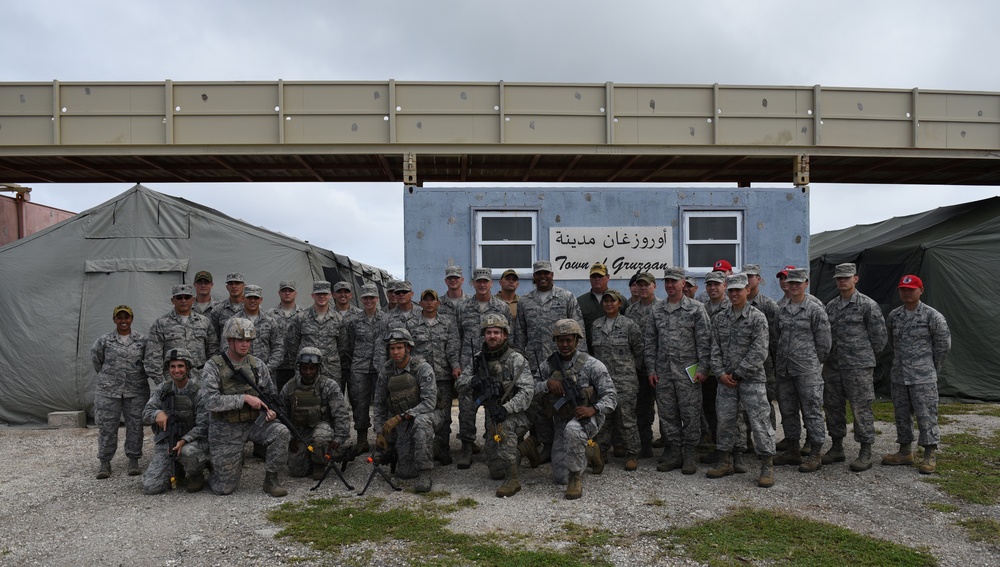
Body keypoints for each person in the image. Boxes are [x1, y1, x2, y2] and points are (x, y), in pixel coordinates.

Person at [201, 318, 291, 497]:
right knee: (224, 489)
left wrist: (270, 411)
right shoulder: (213, 366)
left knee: (281, 431)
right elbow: (210, 401)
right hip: (225, 428)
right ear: (229, 341)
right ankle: (209, 468)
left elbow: (270, 394)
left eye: (248, 341)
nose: (245, 345)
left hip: (253, 423)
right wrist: (244, 398)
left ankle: (271, 479)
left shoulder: (257, 365)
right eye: (240, 340)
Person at [533, 319, 617, 500]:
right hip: (561, 421)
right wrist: (547, 384)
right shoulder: (548, 365)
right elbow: (530, 389)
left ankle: (575, 478)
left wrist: (593, 409)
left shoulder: (592, 365)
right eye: (560, 340)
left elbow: (611, 397)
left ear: (577, 340)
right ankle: (591, 452)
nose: (564, 344)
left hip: (588, 419)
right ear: (555, 341)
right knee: (559, 478)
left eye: (569, 340)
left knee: (573, 430)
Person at [706, 273, 776, 488]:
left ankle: (767, 465)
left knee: (759, 422)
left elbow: (759, 351)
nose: (735, 294)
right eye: (732, 290)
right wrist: (719, 373)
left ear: (747, 290)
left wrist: (737, 374)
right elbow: (713, 348)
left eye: (739, 290)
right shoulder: (720, 318)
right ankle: (725, 461)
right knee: (725, 421)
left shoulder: (757, 317)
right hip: (725, 380)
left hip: (751, 379)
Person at [515, 260, 587, 465]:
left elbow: (578, 331)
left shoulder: (566, 298)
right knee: (538, 405)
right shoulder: (525, 301)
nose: (543, 277)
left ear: (552, 275)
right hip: (534, 362)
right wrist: (519, 363)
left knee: (563, 403)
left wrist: (579, 362)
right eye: (539, 274)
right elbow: (520, 335)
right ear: (534, 277)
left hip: (562, 361)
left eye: (546, 273)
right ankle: (544, 445)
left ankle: (567, 443)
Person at [456, 313, 534, 497]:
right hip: (494, 415)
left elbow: (527, 392)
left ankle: (513, 480)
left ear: (505, 335)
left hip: (519, 414)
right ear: (484, 335)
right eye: (489, 332)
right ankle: (525, 449)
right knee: (495, 470)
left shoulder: (515, 359)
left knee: (503, 430)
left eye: (497, 332)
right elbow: (459, 384)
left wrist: (506, 409)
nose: (492, 336)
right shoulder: (478, 359)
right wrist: (473, 381)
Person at [645, 266, 712, 475]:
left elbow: (705, 341)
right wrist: (651, 369)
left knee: (690, 413)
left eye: (674, 281)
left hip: (688, 373)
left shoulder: (696, 308)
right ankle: (674, 452)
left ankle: (689, 453)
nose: (670, 285)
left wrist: (703, 368)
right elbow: (650, 342)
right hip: (664, 372)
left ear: (684, 283)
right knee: (668, 414)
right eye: (667, 281)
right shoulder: (657, 310)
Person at [882, 275, 951, 474]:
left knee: (926, 415)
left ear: (920, 291)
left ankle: (930, 454)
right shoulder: (895, 316)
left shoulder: (932, 316)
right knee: (902, 415)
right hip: (899, 374)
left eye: (911, 289)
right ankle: (905, 452)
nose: (906, 292)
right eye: (903, 289)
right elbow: (892, 343)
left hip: (923, 376)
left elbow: (943, 347)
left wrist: (929, 367)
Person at [822, 263, 888, 471]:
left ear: (855, 279)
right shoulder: (831, 306)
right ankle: (837, 446)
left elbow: (880, 338)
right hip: (834, 366)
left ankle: (865, 450)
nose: (842, 281)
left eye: (846, 277)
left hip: (858, 367)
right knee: (833, 407)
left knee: (861, 408)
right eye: (839, 278)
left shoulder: (867, 305)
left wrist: (863, 358)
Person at [772, 268, 831, 472]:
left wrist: (813, 362)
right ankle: (792, 449)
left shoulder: (815, 310)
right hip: (785, 370)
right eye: (791, 282)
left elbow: (824, 343)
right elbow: (776, 337)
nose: (794, 286)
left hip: (807, 370)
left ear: (806, 284)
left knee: (812, 411)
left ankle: (815, 453)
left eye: (799, 282)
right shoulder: (781, 310)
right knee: (787, 411)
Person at [454, 268, 513, 468]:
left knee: (493, 403)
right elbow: (455, 337)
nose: (482, 285)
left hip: (494, 363)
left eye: (485, 281)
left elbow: (509, 336)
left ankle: (492, 443)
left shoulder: (501, 307)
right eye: (478, 281)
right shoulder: (463, 307)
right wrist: (456, 364)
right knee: (466, 407)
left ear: (491, 284)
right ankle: (467, 446)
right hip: (469, 364)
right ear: (473, 284)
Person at [373, 328, 438, 493]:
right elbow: (379, 404)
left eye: (399, 348)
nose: (395, 352)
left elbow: (429, 402)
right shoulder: (386, 371)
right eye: (392, 348)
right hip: (400, 418)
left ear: (408, 348)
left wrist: (402, 417)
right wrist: (380, 432)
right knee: (406, 474)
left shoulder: (422, 368)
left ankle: (425, 473)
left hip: (425, 415)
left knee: (422, 424)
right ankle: (398, 453)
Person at [141, 348, 210, 494]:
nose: (176, 370)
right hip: (169, 443)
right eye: (172, 366)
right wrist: (157, 413)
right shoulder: (163, 389)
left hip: (193, 442)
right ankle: (177, 468)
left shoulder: (198, 391)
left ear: (188, 368)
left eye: (180, 366)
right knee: (150, 487)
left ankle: (196, 473)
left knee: (188, 452)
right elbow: (145, 413)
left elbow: (204, 425)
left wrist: (184, 440)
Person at [92, 304, 148, 479]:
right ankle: (105, 462)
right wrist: (110, 378)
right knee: (107, 427)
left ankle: (133, 460)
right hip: (109, 391)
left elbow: (148, 361)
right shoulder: (104, 340)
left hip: (136, 390)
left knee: (135, 426)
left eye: (127, 317)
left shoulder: (142, 340)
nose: (123, 321)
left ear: (131, 319)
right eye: (120, 317)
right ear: (114, 319)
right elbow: (97, 360)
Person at [406, 289, 461, 465]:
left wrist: (455, 366)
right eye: (425, 299)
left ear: (438, 303)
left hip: (442, 375)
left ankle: (442, 448)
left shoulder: (447, 322)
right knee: (420, 411)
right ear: (420, 303)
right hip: (419, 378)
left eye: (433, 300)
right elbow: (408, 350)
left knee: (443, 414)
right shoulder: (411, 324)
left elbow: (452, 347)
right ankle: (420, 448)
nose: (429, 303)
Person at [590, 290, 643, 471]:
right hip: (602, 382)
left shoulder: (629, 325)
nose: (608, 304)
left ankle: (632, 453)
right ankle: (602, 451)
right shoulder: (596, 326)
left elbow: (639, 352)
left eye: (612, 301)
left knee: (626, 419)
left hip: (625, 381)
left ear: (619, 303)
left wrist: (628, 371)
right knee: (603, 418)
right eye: (605, 301)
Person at [280, 347, 351, 480]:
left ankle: (321, 463)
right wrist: (289, 437)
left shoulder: (329, 386)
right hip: (300, 431)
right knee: (297, 471)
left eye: (312, 368)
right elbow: (281, 415)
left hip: (323, 428)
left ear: (318, 368)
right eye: (304, 368)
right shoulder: (289, 388)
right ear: (299, 368)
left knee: (320, 437)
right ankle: (317, 455)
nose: (308, 372)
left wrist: (339, 439)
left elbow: (340, 414)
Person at [144, 284, 218, 384]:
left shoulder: (204, 322)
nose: (183, 301)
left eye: (187, 297)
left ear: (193, 300)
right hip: (172, 381)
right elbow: (152, 357)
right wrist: (163, 383)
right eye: (179, 297)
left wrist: (209, 378)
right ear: (173, 300)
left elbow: (213, 353)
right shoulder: (161, 323)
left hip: (200, 381)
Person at [346, 283, 388, 453]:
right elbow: (348, 345)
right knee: (359, 404)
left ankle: (381, 436)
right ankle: (362, 440)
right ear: (361, 299)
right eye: (366, 298)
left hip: (380, 368)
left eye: (372, 297)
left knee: (381, 402)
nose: (369, 301)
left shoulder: (386, 320)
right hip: (360, 368)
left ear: (377, 299)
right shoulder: (354, 321)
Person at [624, 272, 660, 457]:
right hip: (638, 367)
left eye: (647, 285)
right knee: (642, 407)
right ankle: (645, 444)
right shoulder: (631, 310)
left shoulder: (662, 308)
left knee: (666, 408)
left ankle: (670, 446)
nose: (643, 288)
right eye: (640, 285)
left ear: (654, 286)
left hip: (660, 367)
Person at [285, 281, 346, 388]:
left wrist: (330, 357)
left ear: (330, 295)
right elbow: (293, 344)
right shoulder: (301, 318)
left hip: (331, 369)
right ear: (313, 295)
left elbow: (342, 345)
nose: (321, 297)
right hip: (307, 368)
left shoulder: (338, 319)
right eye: (318, 294)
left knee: (333, 399)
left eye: (325, 294)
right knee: (306, 399)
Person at [238, 285, 285, 376]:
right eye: (249, 297)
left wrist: (268, 369)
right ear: (243, 298)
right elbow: (226, 347)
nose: (252, 300)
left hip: (266, 375)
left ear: (261, 300)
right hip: (241, 375)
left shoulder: (270, 322)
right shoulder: (234, 322)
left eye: (256, 298)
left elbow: (278, 348)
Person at [268, 280, 303, 393]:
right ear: (279, 293)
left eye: (290, 291)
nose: (287, 293)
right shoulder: (270, 314)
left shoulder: (303, 314)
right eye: (284, 291)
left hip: (297, 366)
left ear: (295, 293)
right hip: (277, 367)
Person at [577, 262, 610, 350]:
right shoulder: (580, 302)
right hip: (589, 353)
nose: (597, 279)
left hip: (614, 354)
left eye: (600, 276)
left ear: (608, 277)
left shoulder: (619, 300)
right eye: (594, 277)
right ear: (590, 279)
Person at [210, 272, 246, 344]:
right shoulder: (218, 310)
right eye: (231, 284)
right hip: (226, 353)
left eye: (237, 283)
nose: (234, 286)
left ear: (244, 286)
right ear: (227, 287)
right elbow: (213, 338)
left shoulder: (252, 309)